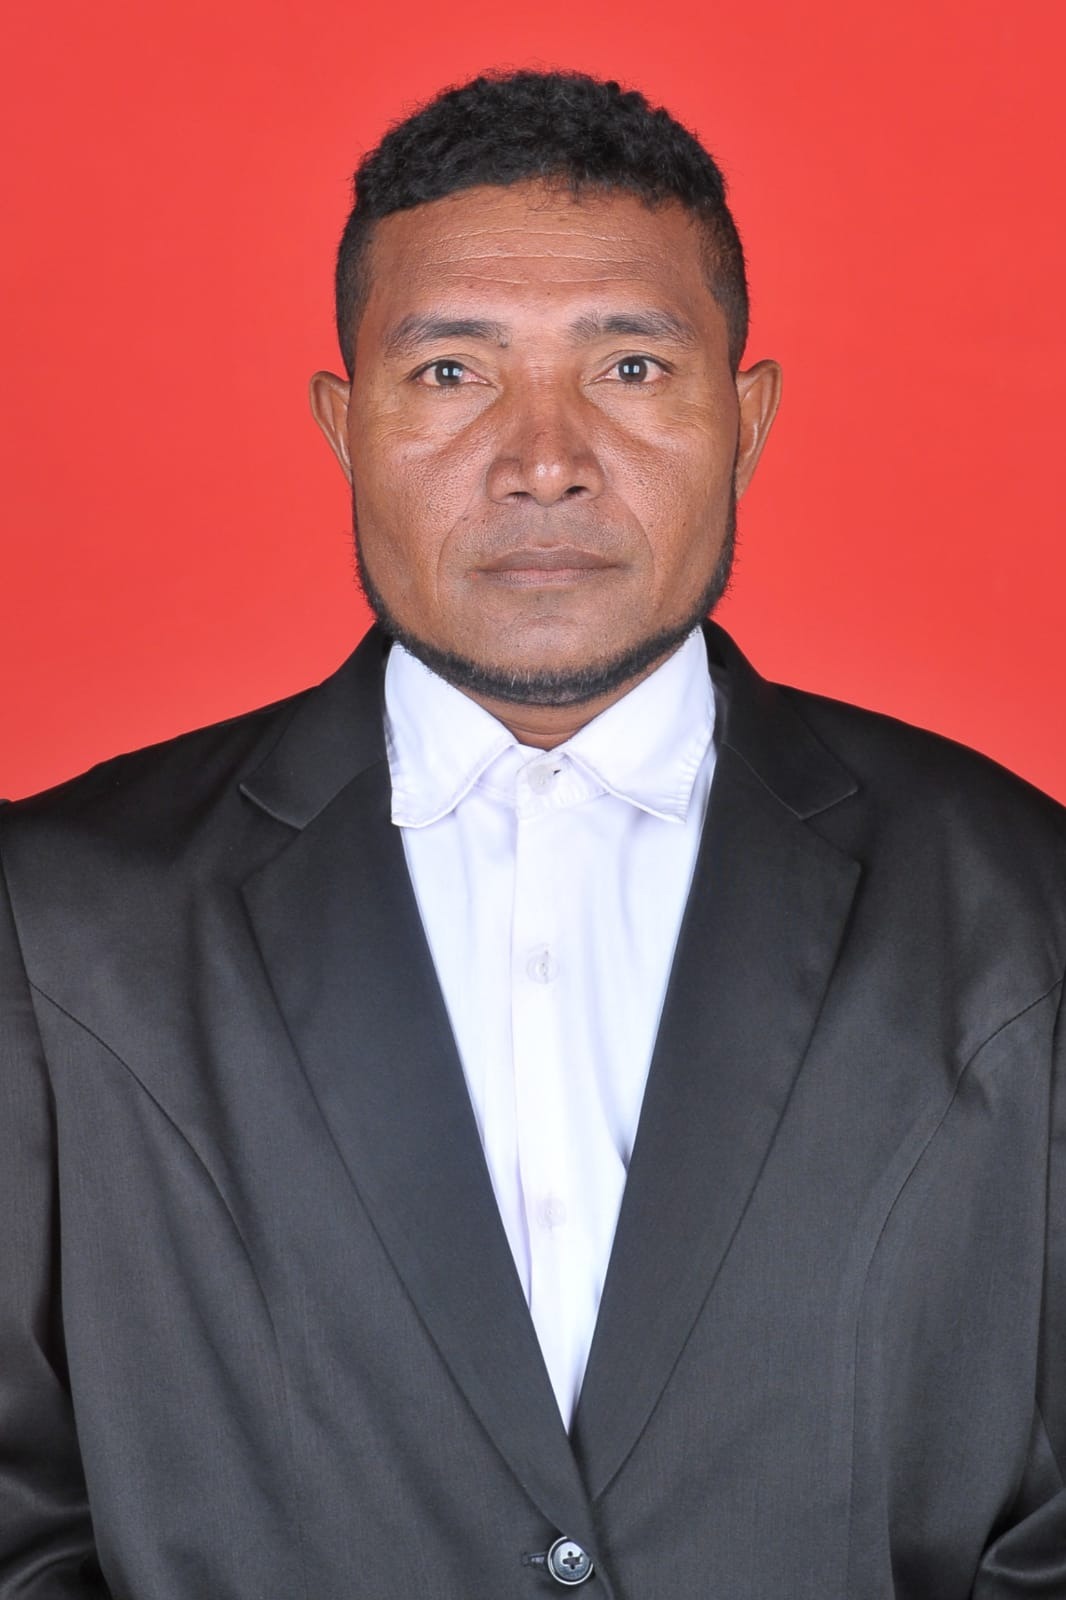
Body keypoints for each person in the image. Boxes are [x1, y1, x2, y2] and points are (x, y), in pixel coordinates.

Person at [0, 68, 1062, 1600]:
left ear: (745, 418)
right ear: (345, 424)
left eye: (630, 366)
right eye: (450, 372)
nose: (542, 457)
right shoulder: (57, 916)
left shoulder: (1021, 901)